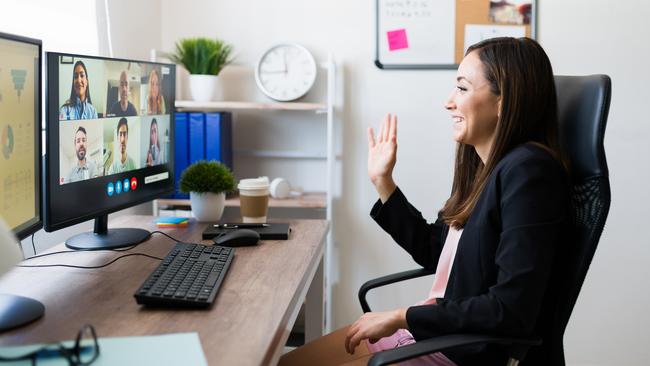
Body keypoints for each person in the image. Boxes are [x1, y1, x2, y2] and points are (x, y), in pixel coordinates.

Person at [279, 37, 569, 366]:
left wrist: (403, 315)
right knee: (288, 362)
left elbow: (509, 309)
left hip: (464, 352)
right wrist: (383, 181)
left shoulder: (530, 173)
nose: (448, 102)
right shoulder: (486, 170)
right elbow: (436, 251)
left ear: (504, 100)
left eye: (462, 88)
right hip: (435, 335)